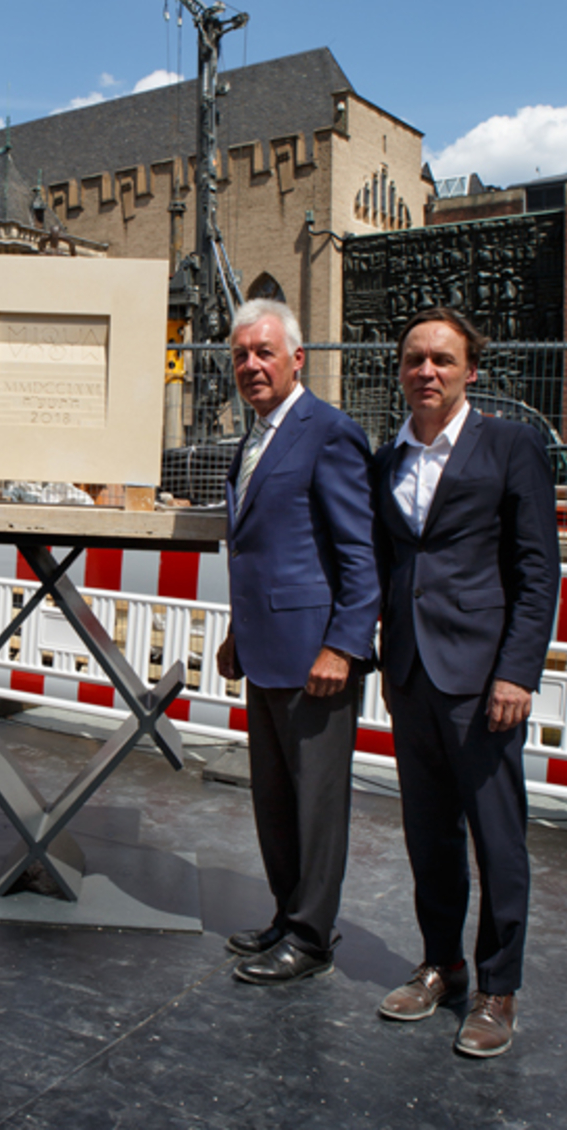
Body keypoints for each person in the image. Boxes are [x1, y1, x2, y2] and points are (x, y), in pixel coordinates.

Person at [374, 307, 559, 1057]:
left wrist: (517, 670)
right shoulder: (388, 458)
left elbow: (537, 569)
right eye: (414, 359)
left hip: (484, 682)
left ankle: (498, 989)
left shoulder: (510, 445)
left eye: (443, 359)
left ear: (470, 370)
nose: (427, 371)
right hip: (412, 673)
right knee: (429, 836)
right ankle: (442, 965)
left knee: (498, 839)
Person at [216, 300, 379, 984]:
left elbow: (359, 554)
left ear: (296, 359)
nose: (251, 365)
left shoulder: (329, 432)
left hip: (316, 658)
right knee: (276, 800)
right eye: (241, 355)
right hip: (265, 650)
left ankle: (311, 938)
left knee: (316, 804)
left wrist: (342, 646)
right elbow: (262, 547)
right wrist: (236, 631)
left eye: (264, 352)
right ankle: (288, 916)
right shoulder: (254, 438)